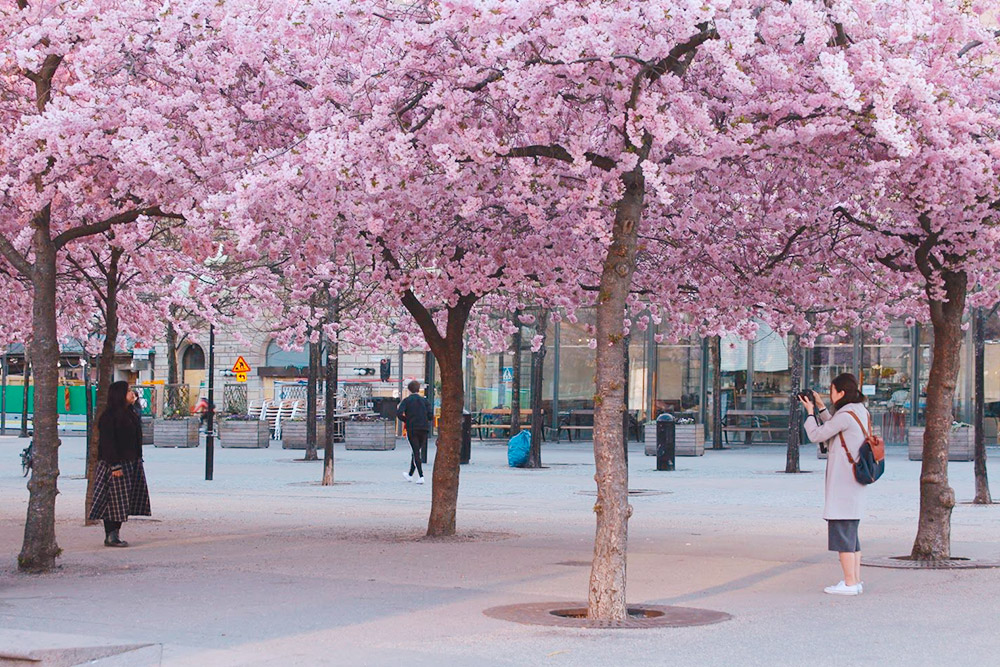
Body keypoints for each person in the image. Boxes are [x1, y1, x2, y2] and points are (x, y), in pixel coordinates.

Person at [798, 373, 870, 596]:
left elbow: (817, 435)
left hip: (843, 482)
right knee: (852, 535)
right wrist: (820, 407)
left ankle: (849, 584)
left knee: (843, 534)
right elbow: (835, 426)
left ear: (841, 392)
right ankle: (855, 581)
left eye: (831, 390)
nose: (830, 394)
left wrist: (810, 413)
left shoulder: (846, 414)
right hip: (854, 481)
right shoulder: (859, 411)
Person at [88, 381, 151, 547]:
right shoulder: (110, 416)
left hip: (130, 462)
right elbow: (108, 443)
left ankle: (115, 534)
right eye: (128, 391)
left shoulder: (129, 413)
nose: (132, 393)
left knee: (123, 501)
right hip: (115, 464)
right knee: (113, 501)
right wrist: (115, 465)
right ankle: (111, 535)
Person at [396, 380, 432, 485]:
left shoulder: (407, 401)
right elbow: (430, 415)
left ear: (409, 390)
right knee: (416, 450)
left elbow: (399, 413)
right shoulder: (425, 401)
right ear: (419, 389)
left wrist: (406, 419)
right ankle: (410, 474)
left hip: (412, 428)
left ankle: (421, 476)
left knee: (415, 451)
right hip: (423, 428)